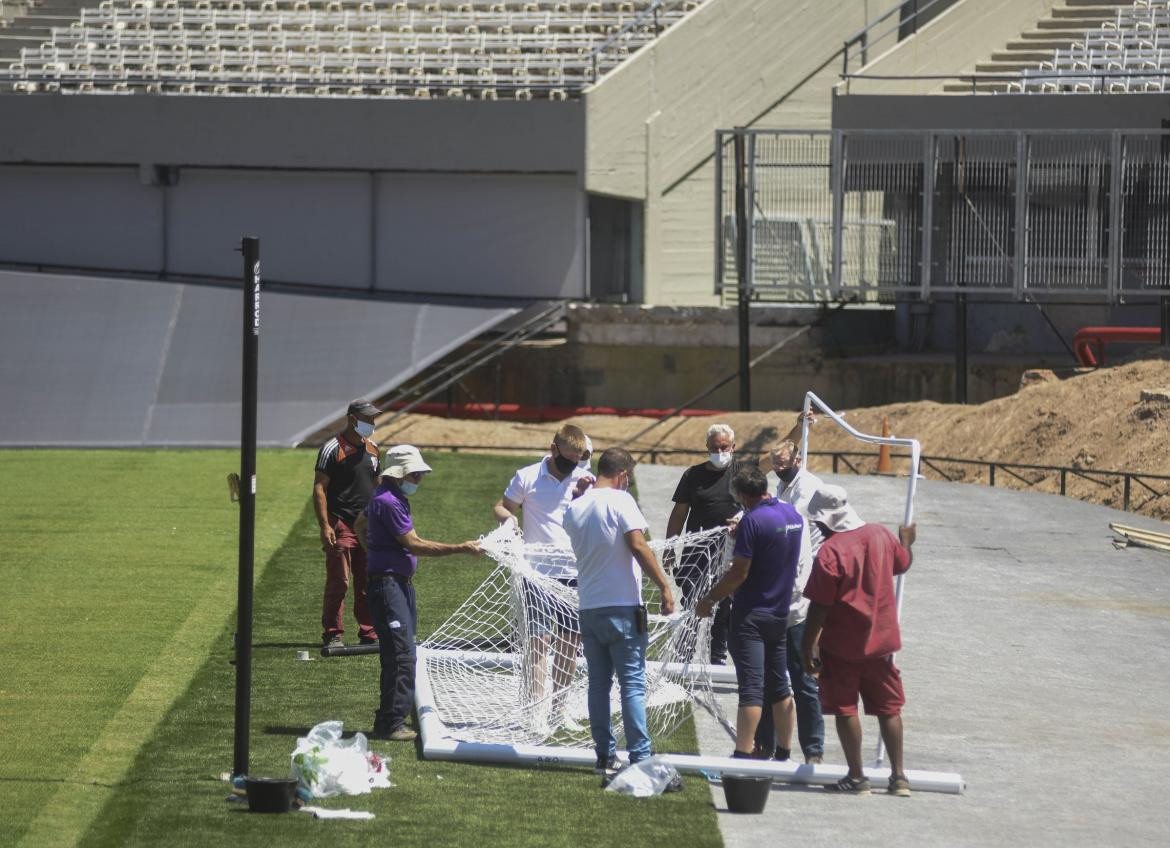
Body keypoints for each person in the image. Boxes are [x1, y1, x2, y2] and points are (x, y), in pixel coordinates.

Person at [355, 444, 483, 741]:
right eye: (416, 474)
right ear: (400, 475)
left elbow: (358, 524)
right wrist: (460, 548)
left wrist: (374, 553)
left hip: (394, 584)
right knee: (401, 656)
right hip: (389, 586)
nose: (419, 480)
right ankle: (392, 723)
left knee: (398, 653)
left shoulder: (384, 496)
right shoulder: (388, 501)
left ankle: (387, 719)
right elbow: (414, 544)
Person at [563, 447, 676, 780]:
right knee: (632, 685)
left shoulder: (575, 507)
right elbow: (637, 545)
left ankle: (604, 754)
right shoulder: (621, 501)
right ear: (624, 475)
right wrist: (665, 587)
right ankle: (640, 754)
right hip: (623, 607)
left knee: (597, 685)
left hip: (589, 607)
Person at [800, 484, 916, 797]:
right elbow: (903, 563)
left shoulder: (830, 551)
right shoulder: (880, 535)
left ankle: (857, 776)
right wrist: (906, 541)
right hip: (881, 642)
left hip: (842, 644)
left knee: (845, 708)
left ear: (826, 521)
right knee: (889, 708)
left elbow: (819, 606)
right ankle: (899, 777)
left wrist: (806, 645)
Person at [697, 466, 806, 761]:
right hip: (780, 612)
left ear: (743, 495)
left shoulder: (753, 521)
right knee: (780, 684)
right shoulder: (793, 516)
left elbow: (739, 573)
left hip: (751, 614)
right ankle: (783, 751)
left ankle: (743, 753)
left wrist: (710, 599)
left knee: (751, 688)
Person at [492, 424, 593, 726]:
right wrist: (510, 520)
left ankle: (558, 710)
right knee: (538, 641)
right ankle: (536, 711)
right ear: (554, 449)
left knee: (569, 643)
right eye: (568, 458)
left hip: (573, 572)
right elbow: (502, 506)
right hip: (535, 572)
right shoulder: (527, 476)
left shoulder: (585, 480)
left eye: (577, 459)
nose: (572, 464)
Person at [665, 423, 749, 663]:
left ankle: (718, 655)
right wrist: (671, 547)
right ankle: (684, 653)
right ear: (707, 447)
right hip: (697, 551)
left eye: (724, 447)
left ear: (733, 447)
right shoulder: (693, 475)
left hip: (730, 551)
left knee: (724, 604)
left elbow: (775, 458)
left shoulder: (742, 472)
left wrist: (799, 427)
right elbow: (679, 513)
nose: (720, 451)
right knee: (692, 601)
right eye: (714, 447)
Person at [313, 399, 381, 649]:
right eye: (368, 419)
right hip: (340, 522)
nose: (372, 424)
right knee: (339, 581)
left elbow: (376, 486)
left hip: (366, 526)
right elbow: (320, 488)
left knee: (367, 581)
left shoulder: (373, 449)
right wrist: (325, 525)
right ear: (353, 419)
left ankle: (369, 631)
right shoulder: (332, 448)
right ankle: (333, 633)